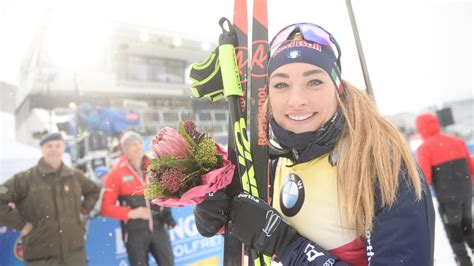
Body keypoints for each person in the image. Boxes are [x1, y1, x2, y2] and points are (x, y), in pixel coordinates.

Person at [193, 23, 436, 265]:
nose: (297, 100)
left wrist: (284, 243)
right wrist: (220, 213)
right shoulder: (272, 164)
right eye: (281, 85)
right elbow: (255, 237)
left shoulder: (381, 162)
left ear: (337, 87)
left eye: (314, 82)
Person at [0, 132, 100, 265]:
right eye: (49, 146)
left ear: (63, 148)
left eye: (58, 146)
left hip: (74, 253)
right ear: (42, 149)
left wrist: (81, 212)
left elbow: (93, 190)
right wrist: (21, 225)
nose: (53, 150)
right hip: (41, 256)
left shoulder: (74, 176)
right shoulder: (24, 179)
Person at [101, 131, 176, 266]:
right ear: (125, 150)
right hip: (135, 233)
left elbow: (165, 194)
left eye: (140, 143)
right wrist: (131, 213)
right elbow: (106, 207)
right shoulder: (116, 173)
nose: (138, 146)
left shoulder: (154, 166)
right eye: (133, 144)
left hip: (159, 228)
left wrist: (168, 215)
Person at [415, 113, 474, 265]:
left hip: (448, 200)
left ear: (420, 128)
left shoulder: (424, 149)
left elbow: (425, 179)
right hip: (467, 194)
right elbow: (471, 167)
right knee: (468, 226)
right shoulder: (457, 142)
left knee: (454, 233)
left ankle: (464, 261)